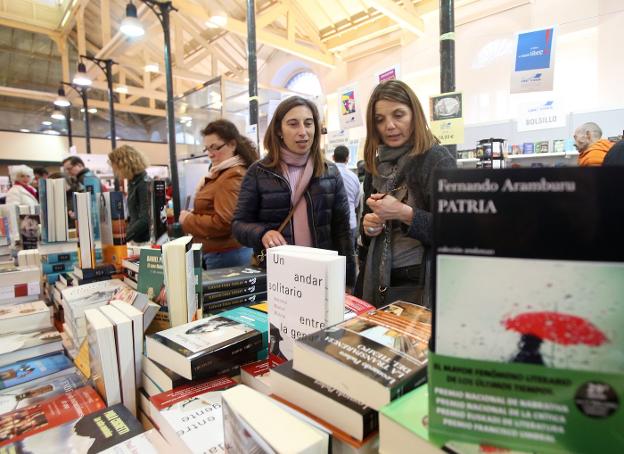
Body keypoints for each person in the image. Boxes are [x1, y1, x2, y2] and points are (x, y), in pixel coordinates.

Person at [233, 96, 355, 287]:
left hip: (320, 276)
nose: (303, 132)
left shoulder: (330, 172)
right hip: (276, 277)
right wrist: (262, 233)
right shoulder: (258, 172)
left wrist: (348, 282)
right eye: (293, 124)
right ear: (279, 131)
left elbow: (342, 231)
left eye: (308, 123)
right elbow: (239, 224)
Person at [356, 80, 456, 308]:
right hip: (378, 279)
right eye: (380, 120)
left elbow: (455, 230)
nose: (389, 126)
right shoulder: (376, 164)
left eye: (398, 115)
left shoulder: (436, 159)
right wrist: (369, 225)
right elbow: (366, 220)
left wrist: (403, 213)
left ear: (415, 115)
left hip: (421, 281)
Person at [180, 119, 259, 269]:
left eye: (215, 147)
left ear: (232, 144)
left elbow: (224, 223)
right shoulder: (222, 173)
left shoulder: (232, 176)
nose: (210, 154)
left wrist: (188, 220)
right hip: (223, 253)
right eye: (207, 149)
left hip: (226, 255)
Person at [108, 145, 151, 244]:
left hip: (145, 241)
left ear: (124, 164)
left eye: (116, 168)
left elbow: (145, 219)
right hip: (138, 238)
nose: (116, 172)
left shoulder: (143, 184)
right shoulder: (133, 182)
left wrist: (123, 238)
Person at [332, 145, 362, 248]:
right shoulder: (354, 177)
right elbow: (356, 204)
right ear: (348, 158)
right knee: (349, 259)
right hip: (350, 223)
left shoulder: (325, 175)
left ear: (333, 157)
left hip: (331, 225)